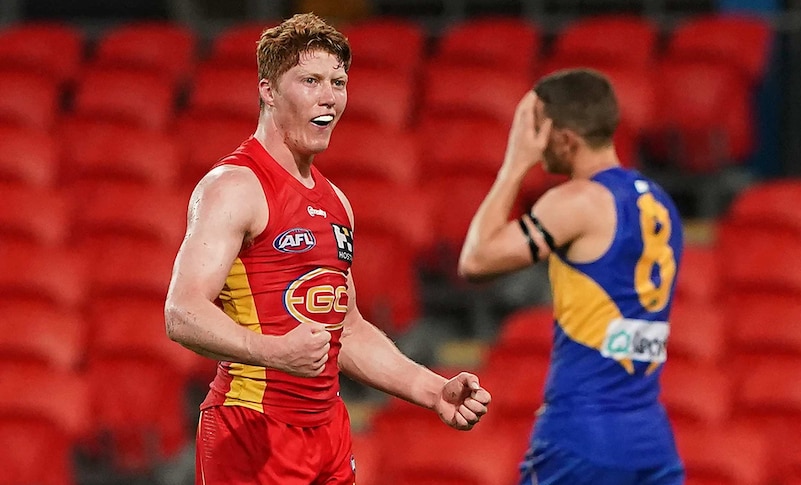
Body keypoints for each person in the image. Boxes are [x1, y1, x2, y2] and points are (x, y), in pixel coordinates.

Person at [164, 13, 491, 484]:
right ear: (268, 90)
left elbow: (349, 331)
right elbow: (181, 310)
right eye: (311, 80)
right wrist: (273, 351)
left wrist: (433, 389)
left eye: (338, 82)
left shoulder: (336, 202)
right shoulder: (234, 186)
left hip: (328, 433)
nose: (328, 97)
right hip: (253, 429)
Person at [458, 68, 684, 485]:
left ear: (565, 139)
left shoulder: (575, 202)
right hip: (652, 438)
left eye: (538, 131)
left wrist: (513, 167)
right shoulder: (660, 203)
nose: (534, 144)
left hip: (583, 433)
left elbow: (475, 260)